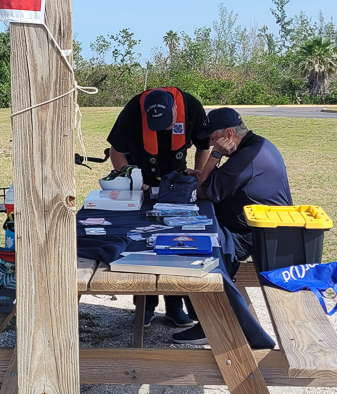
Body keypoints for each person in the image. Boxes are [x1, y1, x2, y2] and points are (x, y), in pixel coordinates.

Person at [107, 87, 210, 328]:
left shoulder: (192, 107)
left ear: (175, 109)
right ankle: (145, 305)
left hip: (177, 181)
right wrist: (131, 176)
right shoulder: (133, 110)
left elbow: (204, 146)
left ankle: (175, 305)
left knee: (177, 239)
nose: (163, 129)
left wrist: (199, 178)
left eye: (166, 123)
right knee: (141, 240)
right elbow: (117, 151)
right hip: (142, 179)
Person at [196, 107, 292, 259]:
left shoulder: (248, 156)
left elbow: (202, 192)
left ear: (228, 134)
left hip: (258, 235)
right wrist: (202, 175)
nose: (211, 143)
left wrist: (216, 154)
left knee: (199, 246)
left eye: (213, 138)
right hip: (257, 228)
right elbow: (214, 183)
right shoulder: (256, 145)